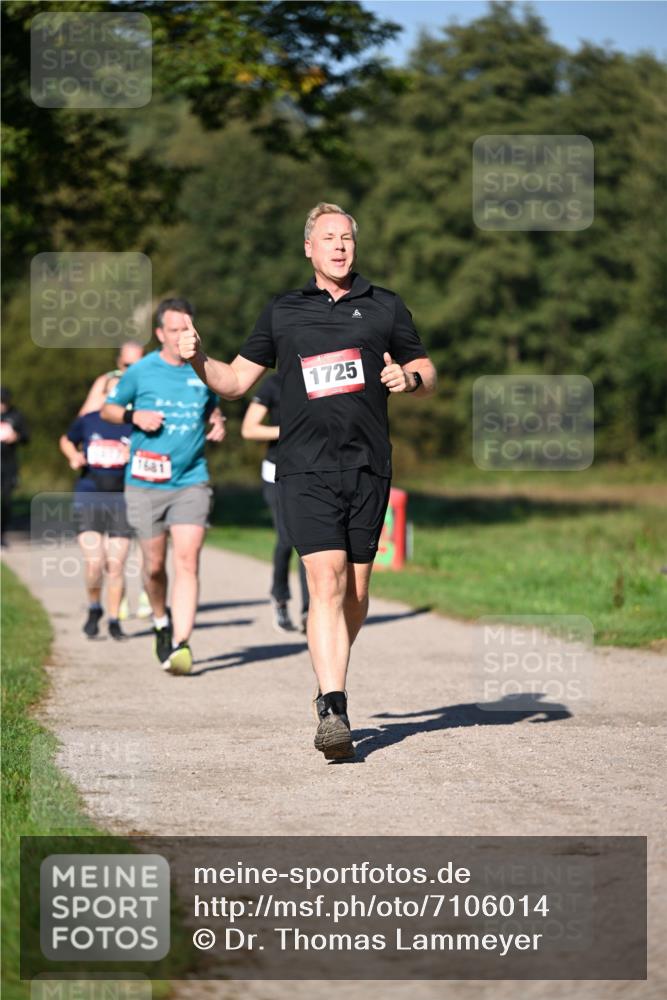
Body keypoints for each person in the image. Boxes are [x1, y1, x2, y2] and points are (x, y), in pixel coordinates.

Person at [178, 202, 436, 759]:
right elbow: (233, 382)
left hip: (368, 465)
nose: (339, 246)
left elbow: (426, 368)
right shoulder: (283, 311)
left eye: (347, 238)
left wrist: (409, 377)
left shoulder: (386, 305)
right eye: (328, 238)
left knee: (356, 595)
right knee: (326, 581)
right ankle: (334, 709)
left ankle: (327, 678)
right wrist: (199, 359)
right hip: (303, 468)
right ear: (308, 249)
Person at [101, 298, 226, 674]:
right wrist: (133, 415)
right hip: (145, 483)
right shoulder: (141, 370)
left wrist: (218, 421)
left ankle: (182, 644)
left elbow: (214, 405)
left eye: (186, 329)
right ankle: (160, 620)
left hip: (191, 480)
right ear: (159, 333)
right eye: (173, 330)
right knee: (154, 566)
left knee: (187, 560)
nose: (179, 336)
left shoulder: (203, 367)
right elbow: (108, 409)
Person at [59, 379, 133, 640]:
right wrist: (73, 456)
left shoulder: (135, 424)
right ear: (102, 394)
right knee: (94, 563)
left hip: (123, 499)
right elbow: (66, 440)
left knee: (116, 565)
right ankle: (94, 607)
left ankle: (114, 621)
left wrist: (134, 455)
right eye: (110, 391)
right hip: (89, 495)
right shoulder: (88, 421)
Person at [241, 372, 310, 633]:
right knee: (287, 538)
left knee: (311, 542)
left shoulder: (321, 375)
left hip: (312, 470)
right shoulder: (273, 383)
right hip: (277, 473)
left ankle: (310, 611)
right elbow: (249, 429)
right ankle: (280, 596)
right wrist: (289, 431)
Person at [79, 341, 145, 416]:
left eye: (136, 366)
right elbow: (84, 417)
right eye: (127, 365)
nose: (131, 370)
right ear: (119, 362)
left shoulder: (150, 382)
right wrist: (110, 395)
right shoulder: (106, 381)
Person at [1, 387, 30, 547]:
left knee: (6, 501)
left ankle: (2, 533)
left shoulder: (16, 416)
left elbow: (26, 437)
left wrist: (16, 437)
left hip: (8, 465)